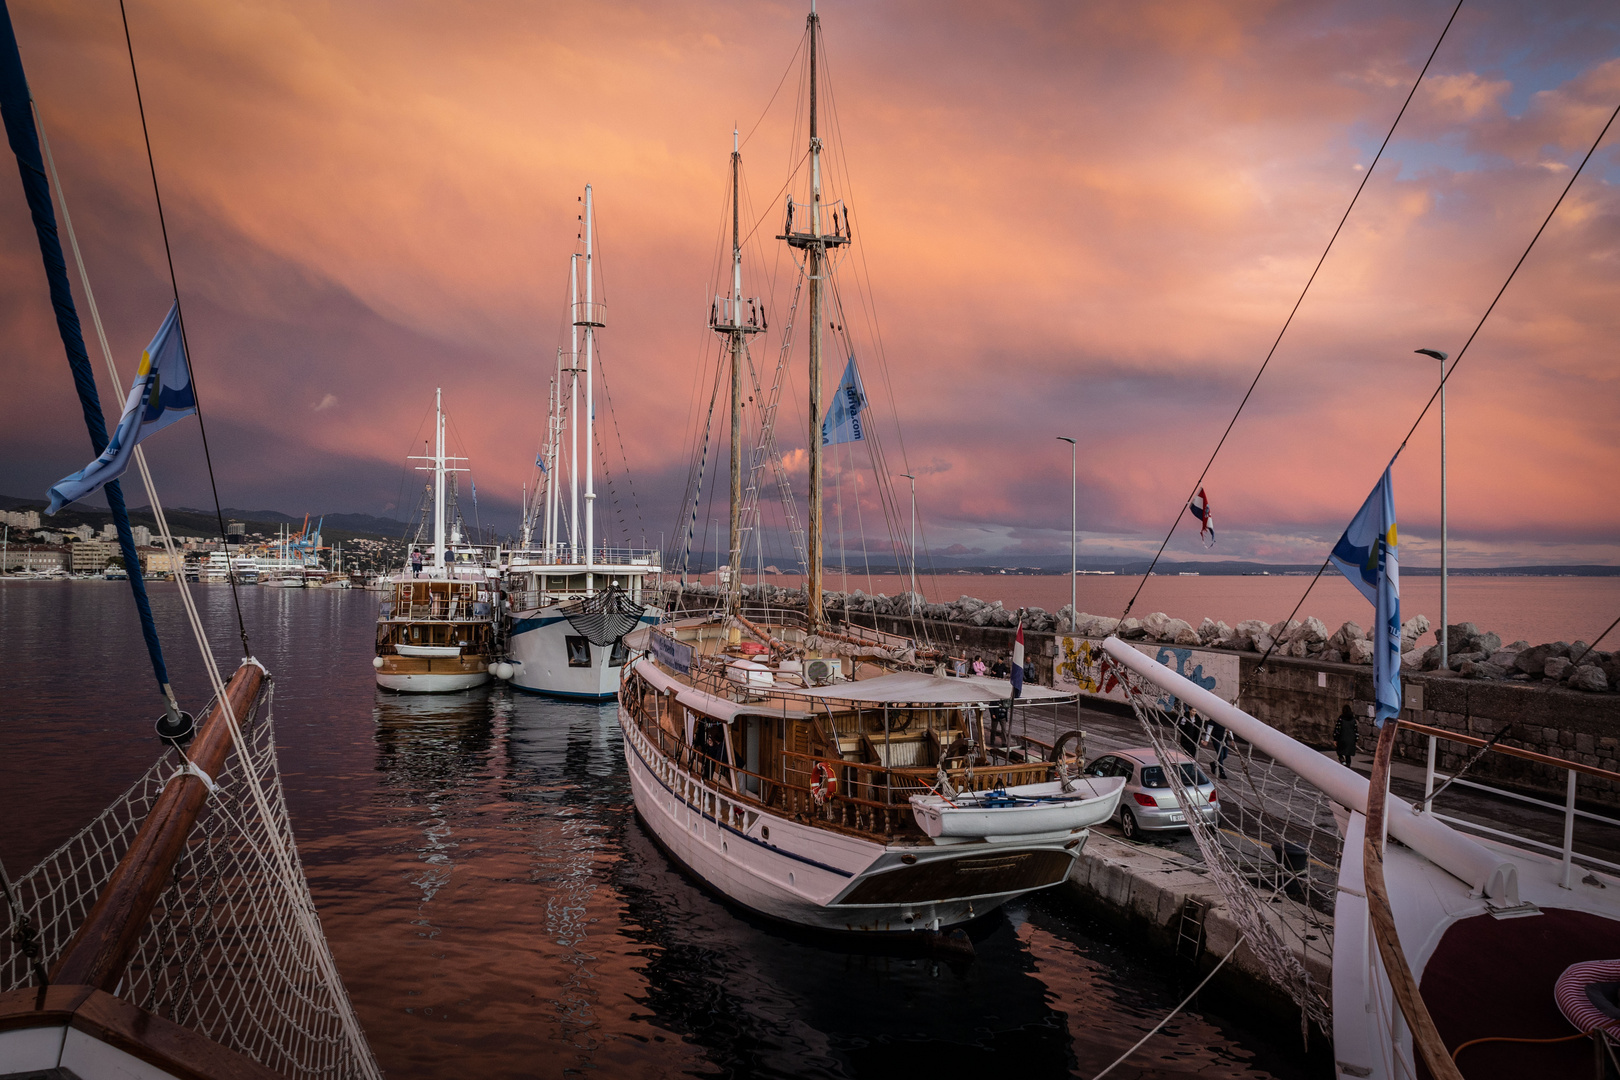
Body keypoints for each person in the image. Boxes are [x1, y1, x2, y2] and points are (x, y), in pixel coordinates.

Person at [1335, 703, 1359, 768]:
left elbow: (1337, 729)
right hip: (1351, 739)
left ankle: (1343, 763)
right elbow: (1356, 730)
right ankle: (1348, 765)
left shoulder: (1341, 719)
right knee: (1348, 754)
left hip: (1342, 739)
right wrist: (1356, 739)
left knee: (1339, 752)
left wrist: (1335, 739)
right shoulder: (1353, 720)